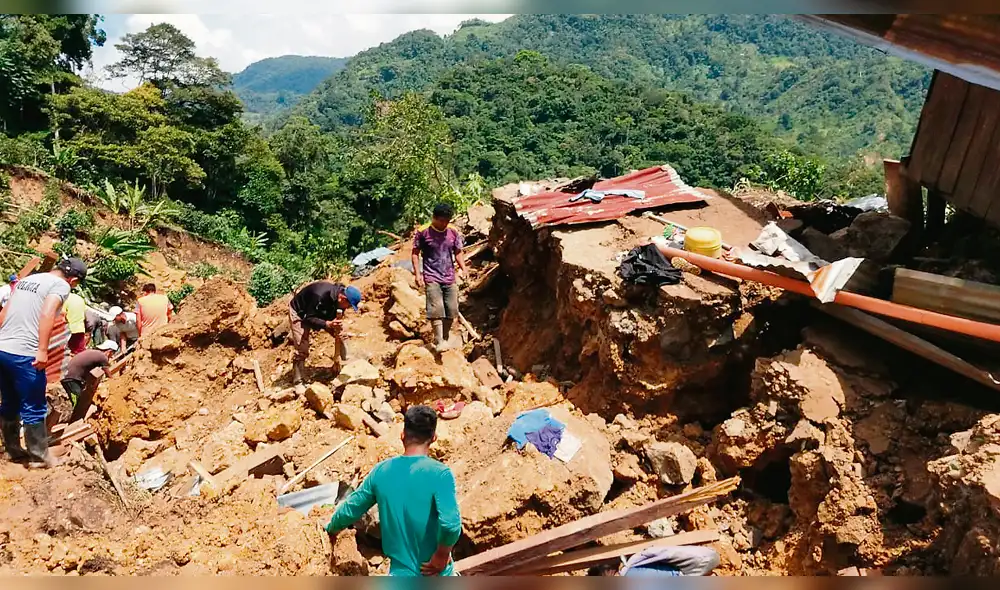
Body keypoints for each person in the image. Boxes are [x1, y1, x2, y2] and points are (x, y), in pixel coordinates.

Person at [326, 405, 461, 576]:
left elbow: (350, 509)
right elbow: (450, 525)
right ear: (433, 438)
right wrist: (441, 555)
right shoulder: (440, 474)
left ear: (402, 435)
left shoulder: (380, 472)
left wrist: (330, 528)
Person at [0, 257, 87, 468]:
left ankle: (11, 450)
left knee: (10, 401)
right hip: (26, 354)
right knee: (34, 406)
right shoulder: (60, 285)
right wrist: (41, 350)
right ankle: (39, 457)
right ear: (73, 280)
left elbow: (4, 312)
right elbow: (48, 313)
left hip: (3, 349)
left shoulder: (27, 280)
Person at [411, 202, 469, 352]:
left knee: (452, 308)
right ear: (434, 218)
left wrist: (463, 267)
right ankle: (438, 340)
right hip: (431, 276)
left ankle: (445, 338)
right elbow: (415, 253)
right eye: (441, 220)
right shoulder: (423, 232)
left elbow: (458, 251)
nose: (444, 224)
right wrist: (418, 274)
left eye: (447, 221)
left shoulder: (453, 232)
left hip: (449, 276)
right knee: (437, 307)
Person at [288, 281, 362, 385]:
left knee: (342, 334)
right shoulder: (319, 295)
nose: (347, 308)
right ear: (342, 298)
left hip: (320, 312)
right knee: (302, 347)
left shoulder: (340, 299)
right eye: (348, 306)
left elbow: (336, 318)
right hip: (301, 312)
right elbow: (308, 318)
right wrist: (327, 324)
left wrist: (336, 327)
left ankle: (345, 363)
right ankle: (298, 380)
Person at [61, 340, 118, 407]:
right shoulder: (102, 356)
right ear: (109, 351)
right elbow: (108, 373)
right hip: (72, 378)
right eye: (112, 353)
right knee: (78, 401)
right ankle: (75, 416)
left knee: (80, 398)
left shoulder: (94, 352)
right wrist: (114, 380)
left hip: (69, 376)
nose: (112, 356)